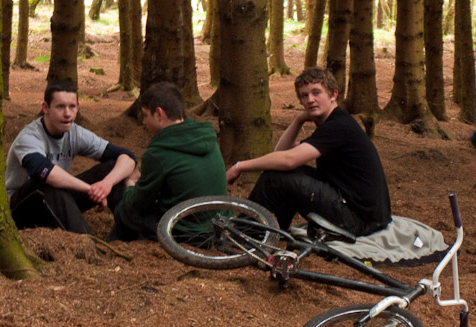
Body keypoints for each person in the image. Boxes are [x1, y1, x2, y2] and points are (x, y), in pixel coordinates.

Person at [226, 67, 391, 236]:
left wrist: (240, 166)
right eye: (304, 96)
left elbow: (288, 160)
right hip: (358, 213)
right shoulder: (331, 125)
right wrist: (299, 119)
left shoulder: (339, 126)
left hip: (358, 221)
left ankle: (244, 234)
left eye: (316, 93)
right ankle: (267, 232)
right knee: (281, 172)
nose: (310, 99)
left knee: (276, 177)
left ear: (333, 95)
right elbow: (280, 152)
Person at [5, 80, 137, 234]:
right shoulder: (29, 137)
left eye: (72, 107)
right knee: (49, 184)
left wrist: (106, 184)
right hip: (22, 207)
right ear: (45, 108)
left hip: (57, 197)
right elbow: (44, 172)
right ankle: (87, 243)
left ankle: (131, 233)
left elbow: (128, 157)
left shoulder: (75, 133)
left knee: (112, 168)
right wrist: (91, 190)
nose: (67, 113)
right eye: (60, 107)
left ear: (78, 108)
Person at [108, 82, 227, 241]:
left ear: (159, 114)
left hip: (185, 231)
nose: (144, 122)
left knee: (124, 210)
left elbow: (138, 202)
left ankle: (113, 246)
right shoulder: (206, 137)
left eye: (145, 115)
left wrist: (130, 185)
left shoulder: (158, 153)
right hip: (219, 224)